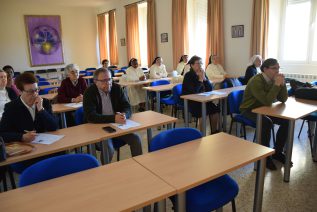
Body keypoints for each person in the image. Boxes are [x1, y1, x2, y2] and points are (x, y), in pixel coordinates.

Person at [0, 72, 58, 172]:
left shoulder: (44, 103)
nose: (35, 94)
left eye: (36, 90)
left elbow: (54, 126)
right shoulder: (11, 108)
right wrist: (21, 137)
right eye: (30, 91)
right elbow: (2, 133)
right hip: (26, 152)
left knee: (61, 156)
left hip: (46, 147)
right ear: (20, 91)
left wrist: (41, 110)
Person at [83, 68, 143, 161]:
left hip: (117, 126)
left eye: (109, 79)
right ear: (95, 82)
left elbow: (127, 107)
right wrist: (113, 118)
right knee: (109, 149)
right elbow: (91, 116)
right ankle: (105, 173)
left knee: (136, 139)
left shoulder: (117, 88)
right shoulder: (89, 92)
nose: (108, 83)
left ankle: (140, 166)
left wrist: (124, 115)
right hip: (99, 127)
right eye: (103, 81)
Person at [240, 58, 289, 170]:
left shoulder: (273, 79)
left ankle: (277, 152)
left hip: (265, 109)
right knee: (266, 123)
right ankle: (265, 157)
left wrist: (283, 84)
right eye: (274, 68)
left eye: (278, 68)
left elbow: (283, 99)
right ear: (265, 69)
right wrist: (277, 85)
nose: (277, 71)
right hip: (249, 109)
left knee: (286, 121)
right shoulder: (256, 81)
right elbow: (267, 101)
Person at [182, 56, 220, 133]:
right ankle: (202, 134)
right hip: (192, 100)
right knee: (203, 112)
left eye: (201, 63)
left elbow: (210, 89)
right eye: (198, 63)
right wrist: (200, 80)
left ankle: (214, 132)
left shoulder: (202, 73)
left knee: (215, 109)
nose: (200, 65)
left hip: (203, 99)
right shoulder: (188, 76)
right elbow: (194, 91)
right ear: (192, 65)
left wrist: (205, 79)